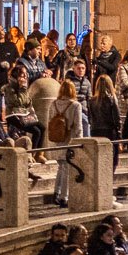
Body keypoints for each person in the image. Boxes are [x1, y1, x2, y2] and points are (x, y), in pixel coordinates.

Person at [50, 79, 84, 207]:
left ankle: (56, 193)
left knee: (61, 167)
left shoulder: (53, 104)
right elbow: (78, 127)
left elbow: (50, 121)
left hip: (57, 140)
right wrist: (79, 143)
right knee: (67, 169)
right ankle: (64, 197)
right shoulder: (75, 105)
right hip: (69, 140)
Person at [3, 66, 48, 162]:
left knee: (42, 127)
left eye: (25, 76)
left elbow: (27, 102)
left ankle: (39, 154)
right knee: (36, 131)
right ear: (16, 76)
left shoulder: (23, 87)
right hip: (13, 115)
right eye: (22, 76)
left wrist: (23, 90)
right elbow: (16, 102)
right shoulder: (9, 88)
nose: (24, 78)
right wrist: (22, 90)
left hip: (24, 114)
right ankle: (31, 155)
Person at [89, 75, 122, 171]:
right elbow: (116, 118)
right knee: (112, 158)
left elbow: (91, 117)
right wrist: (119, 134)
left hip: (96, 131)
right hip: (109, 131)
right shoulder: (111, 99)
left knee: (99, 157)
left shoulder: (91, 100)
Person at [65, 59, 93, 137]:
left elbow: (89, 97)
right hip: (72, 107)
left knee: (86, 123)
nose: (81, 70)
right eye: (78, 68)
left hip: (84, 108)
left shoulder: (87, 82)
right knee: (84, 122)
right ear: (74, 69)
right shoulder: (69, 81)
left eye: (83, 68)